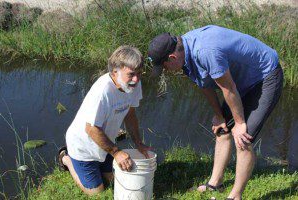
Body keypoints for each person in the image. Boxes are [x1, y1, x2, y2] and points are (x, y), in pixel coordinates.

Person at [148, 25, 283, 200]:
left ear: (172, 57)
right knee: (222, 129)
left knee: (244, 137)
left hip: (265, 76)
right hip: (239, 82)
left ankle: (235, 195)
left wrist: (240, 123)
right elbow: (204, 83)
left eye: (164, 67)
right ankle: (215, 183)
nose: (166, 71)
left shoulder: (205, 51)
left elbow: (228, 88)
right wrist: (219, 115)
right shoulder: (185, 53)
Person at [58, 45, 152, 195]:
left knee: (113, 181)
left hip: (104, 141)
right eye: (131, 74)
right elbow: (91, 129)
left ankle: (101, 163)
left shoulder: (133, 84)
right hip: (83, 146)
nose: (136, 79)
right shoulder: (102, 92)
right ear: (115, 72)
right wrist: (116, 152)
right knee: (98, 193)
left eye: (139, 73)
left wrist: (138, 143)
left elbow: (130, 113)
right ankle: (66, 159)